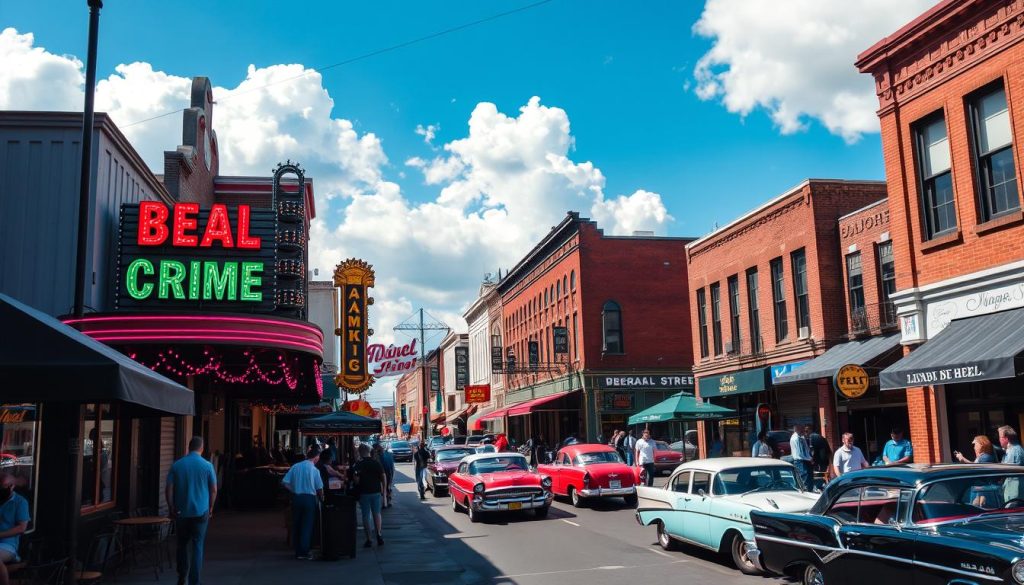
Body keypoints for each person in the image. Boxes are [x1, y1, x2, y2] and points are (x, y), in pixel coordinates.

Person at [165, 436, 217, 585]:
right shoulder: (207, 466)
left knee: (181, 545)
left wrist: (171, 507)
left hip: (181, 512)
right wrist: (211, 507)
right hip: (201, 512)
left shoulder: (177, 465)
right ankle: (195, 581)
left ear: (189, 447)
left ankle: (182, 576)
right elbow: (213, 490)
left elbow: (169, 489)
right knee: (197, 545)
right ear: (202, 448)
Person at [282, 445, 323, 560]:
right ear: (316, 458)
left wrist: (294, 489)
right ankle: (304, 551)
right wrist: (322, 498)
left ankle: (298, 550)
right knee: (307, 525)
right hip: (309, 498)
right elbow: (319, 488)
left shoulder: (295, 466)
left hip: (297, 497)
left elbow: (285, 482)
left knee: (297, 523)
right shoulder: (314, 470)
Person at [352, 444, 386, 548]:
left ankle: (369, 539)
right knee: (377, 514)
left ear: (360, 452)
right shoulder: (376, 463)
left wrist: (355, 476)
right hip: (376, 492)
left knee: (366, 515)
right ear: (369, 452)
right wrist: (384, 491)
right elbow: (383, 477)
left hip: (364, 493)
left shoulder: (358, 464)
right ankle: (379, 535)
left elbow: (356, 481)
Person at [0, 473, 29, 585]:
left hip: (8, 545)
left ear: (12, 486)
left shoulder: (20, 502)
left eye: (4, 486)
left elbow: (22, 528)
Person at [999, 426, 1024, 502]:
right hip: (1014, 489)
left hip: (1014, 491)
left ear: (1006, 438)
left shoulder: (1013, 451)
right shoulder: (1013, 449)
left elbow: (1006, 470)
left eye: (1000, 437)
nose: (999, 440)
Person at [790, 425, 814, 489]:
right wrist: (809, 458)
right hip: (800, 461)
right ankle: (806, 492)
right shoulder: (796, 438)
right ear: (798, 430)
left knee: (809, 477)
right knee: (804, 478)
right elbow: (800, 453)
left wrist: (810, 457)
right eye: (803, 430)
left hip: (805, 460)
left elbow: (806, 449)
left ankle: (810, 491)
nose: (805, 432)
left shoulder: (801, 438)